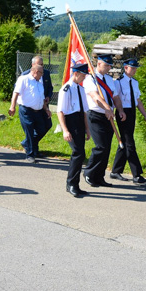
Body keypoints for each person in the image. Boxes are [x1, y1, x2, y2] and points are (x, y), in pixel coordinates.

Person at [82, 54, 124, 186]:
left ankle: (99, 176)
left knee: (106, 149)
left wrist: (120, 110)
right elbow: (96, 97)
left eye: (110, 65)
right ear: (99, 64)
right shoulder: (90, 79)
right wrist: (107, 108)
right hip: (95, 115)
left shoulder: (110, 80)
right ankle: (89, 172)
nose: (109, 68)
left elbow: (116, 97)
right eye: (107, 65)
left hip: (108, 117)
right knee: (100, 147)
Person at [109, 59, 146, 184]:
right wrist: (115, 112)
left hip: (132, 112)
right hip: (123, 113)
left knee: (125, 140)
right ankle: (137, 174)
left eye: (135, 68)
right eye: (132, 68)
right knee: (129, 143)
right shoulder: (118, 82)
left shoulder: (135, 82)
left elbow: (138, 100)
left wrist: (145, 115)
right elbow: (115, 98)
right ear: (125, 68)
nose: (134, 70)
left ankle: (115, 171)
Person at [9, 56, 54, 163]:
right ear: (36, 71)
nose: (43, 75)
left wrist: (46, 109)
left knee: (42, 129)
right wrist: (12, 106)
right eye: (41, 73)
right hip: (26, 110)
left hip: (38, 111)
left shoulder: (39, 83)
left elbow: (41, 97)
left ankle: (27, 144)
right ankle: (30, 154)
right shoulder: (23, 79)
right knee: (29, 131)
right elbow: (16, 93)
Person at [57, 62, 91, 197]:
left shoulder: (81, 89)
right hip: (70, 122)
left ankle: (75, 184)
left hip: (80, 122)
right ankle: (71, 184)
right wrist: (65, 130)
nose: (85, 78)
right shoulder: (66, 89)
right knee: (78, 153)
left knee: (80, 154)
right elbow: (60, 111)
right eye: (83, 75)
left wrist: (87, 129)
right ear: (76, 74)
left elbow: (84, 112)